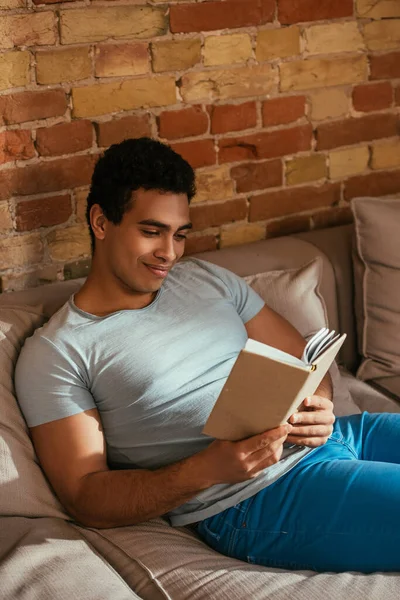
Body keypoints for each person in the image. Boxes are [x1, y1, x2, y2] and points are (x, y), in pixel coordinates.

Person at [15, 138, 400, 575]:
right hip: (252, 498)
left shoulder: (205, 279)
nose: (170, 253)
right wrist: (205, 469)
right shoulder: (57, 352)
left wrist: (319, 405)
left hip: (337, 437)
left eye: (179, 234)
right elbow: (86, 496)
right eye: (151, 231)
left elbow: (302, 357)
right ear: (101, 222)